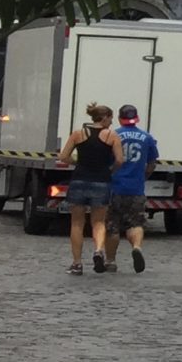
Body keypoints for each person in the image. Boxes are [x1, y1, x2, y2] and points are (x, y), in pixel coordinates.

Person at [60, 103, 119, 276]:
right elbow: (120, 160)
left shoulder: (78, 134)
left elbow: (63, 156)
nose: (111, 122)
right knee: (99, 222)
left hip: (79, 180)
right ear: (105, 117)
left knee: (77, 223)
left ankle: (77, 263)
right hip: (101, 181)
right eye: (110, 118)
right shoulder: (111, 136)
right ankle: (99, 250)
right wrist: (110, 170)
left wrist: (77, 163)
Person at [104, 103, 157, 275]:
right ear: (137, 118)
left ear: (120, 119)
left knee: (112, 226)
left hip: (115, 187)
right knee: (136, 223)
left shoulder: (113, 135)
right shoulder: (147, 138)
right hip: (136, 188)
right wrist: (143, 177)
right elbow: (152, 164)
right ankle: (136, 247)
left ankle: (110, 261)